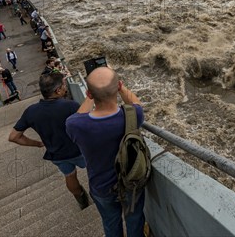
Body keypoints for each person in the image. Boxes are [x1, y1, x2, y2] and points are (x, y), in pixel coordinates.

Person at [66, 67, 145, 237]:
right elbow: (136, 103)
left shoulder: (75, 125)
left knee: (110, 222)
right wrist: (121, 88)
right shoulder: (133, 115)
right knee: (134, 219)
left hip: (101, 187)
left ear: (89, 94)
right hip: (130, 182)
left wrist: (91, 96)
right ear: (118, 87)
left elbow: (80, 115)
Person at [9, 72, 90, 210]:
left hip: (57, 154)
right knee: (94, 170)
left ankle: (82, 200)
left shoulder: (31, 111)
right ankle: (102, 194)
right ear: (58, 90)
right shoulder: (70, 106)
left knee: (70, 176)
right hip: (78, 151)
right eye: (64, 85)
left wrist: (38, 143)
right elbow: (87, 125)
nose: (65, 87)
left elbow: (14, 137)